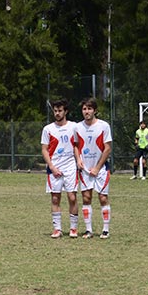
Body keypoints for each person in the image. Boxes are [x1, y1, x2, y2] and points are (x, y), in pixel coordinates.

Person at [40, 100, 79, 238]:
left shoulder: (74, 127)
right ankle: (57, 229)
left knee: (72, 197)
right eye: (55, 111)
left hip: (70, 168)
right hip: (54, 168)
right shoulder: (48, 129)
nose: (57, 113)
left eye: (60, 110)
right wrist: (52, 166)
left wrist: (79, 161)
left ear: (65, 111)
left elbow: (77, 145)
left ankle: (73, 229)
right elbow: (44, 149)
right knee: (55, 199)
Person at [74, 98, 112, 239]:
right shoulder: (77, 127)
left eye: (89, 109)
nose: (87, 111)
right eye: (84, 109)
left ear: (95, 110)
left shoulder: (104, 126)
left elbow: (107, 148)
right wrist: (78, 159)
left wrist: (97, 167)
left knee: (102, 198)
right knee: (86, 197)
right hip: (85, 170)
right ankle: (89, 230)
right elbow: (76, 146)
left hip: (101, 169)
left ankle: (105, 230)